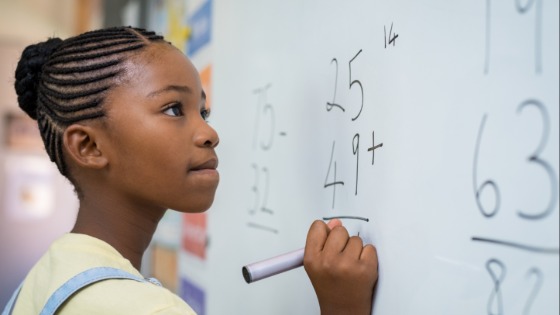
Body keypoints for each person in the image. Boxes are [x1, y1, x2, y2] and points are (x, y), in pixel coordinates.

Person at [3, 26, 378, 315]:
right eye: (173, 109)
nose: (209, 133)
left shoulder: (51, 273)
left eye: (204, 112)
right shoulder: (143, 309)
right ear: (89, 146)